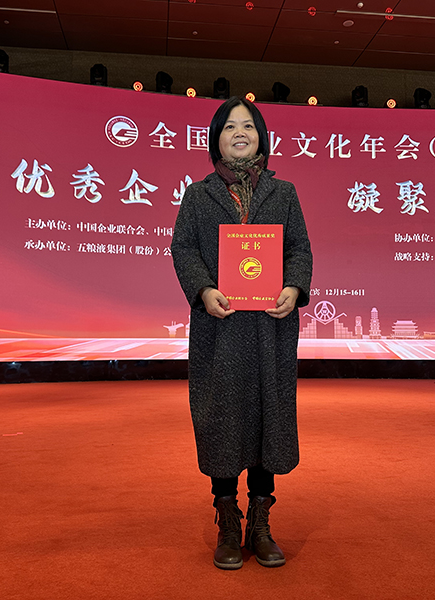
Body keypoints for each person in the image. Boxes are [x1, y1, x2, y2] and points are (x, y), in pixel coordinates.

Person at [171, 96, 313, 570]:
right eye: (230, 126)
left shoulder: (284, 193)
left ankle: (261, 521)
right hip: (221, 326)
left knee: (268, 416)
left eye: (248, 126)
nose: (239, 133)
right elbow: (184, 249)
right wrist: (203, 289)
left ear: (260, 136)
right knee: (222, 416)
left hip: (271, 327)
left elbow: (299, 249)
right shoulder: (198, 195)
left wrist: (294, 287)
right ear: (216, 138)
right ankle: (228, 520)